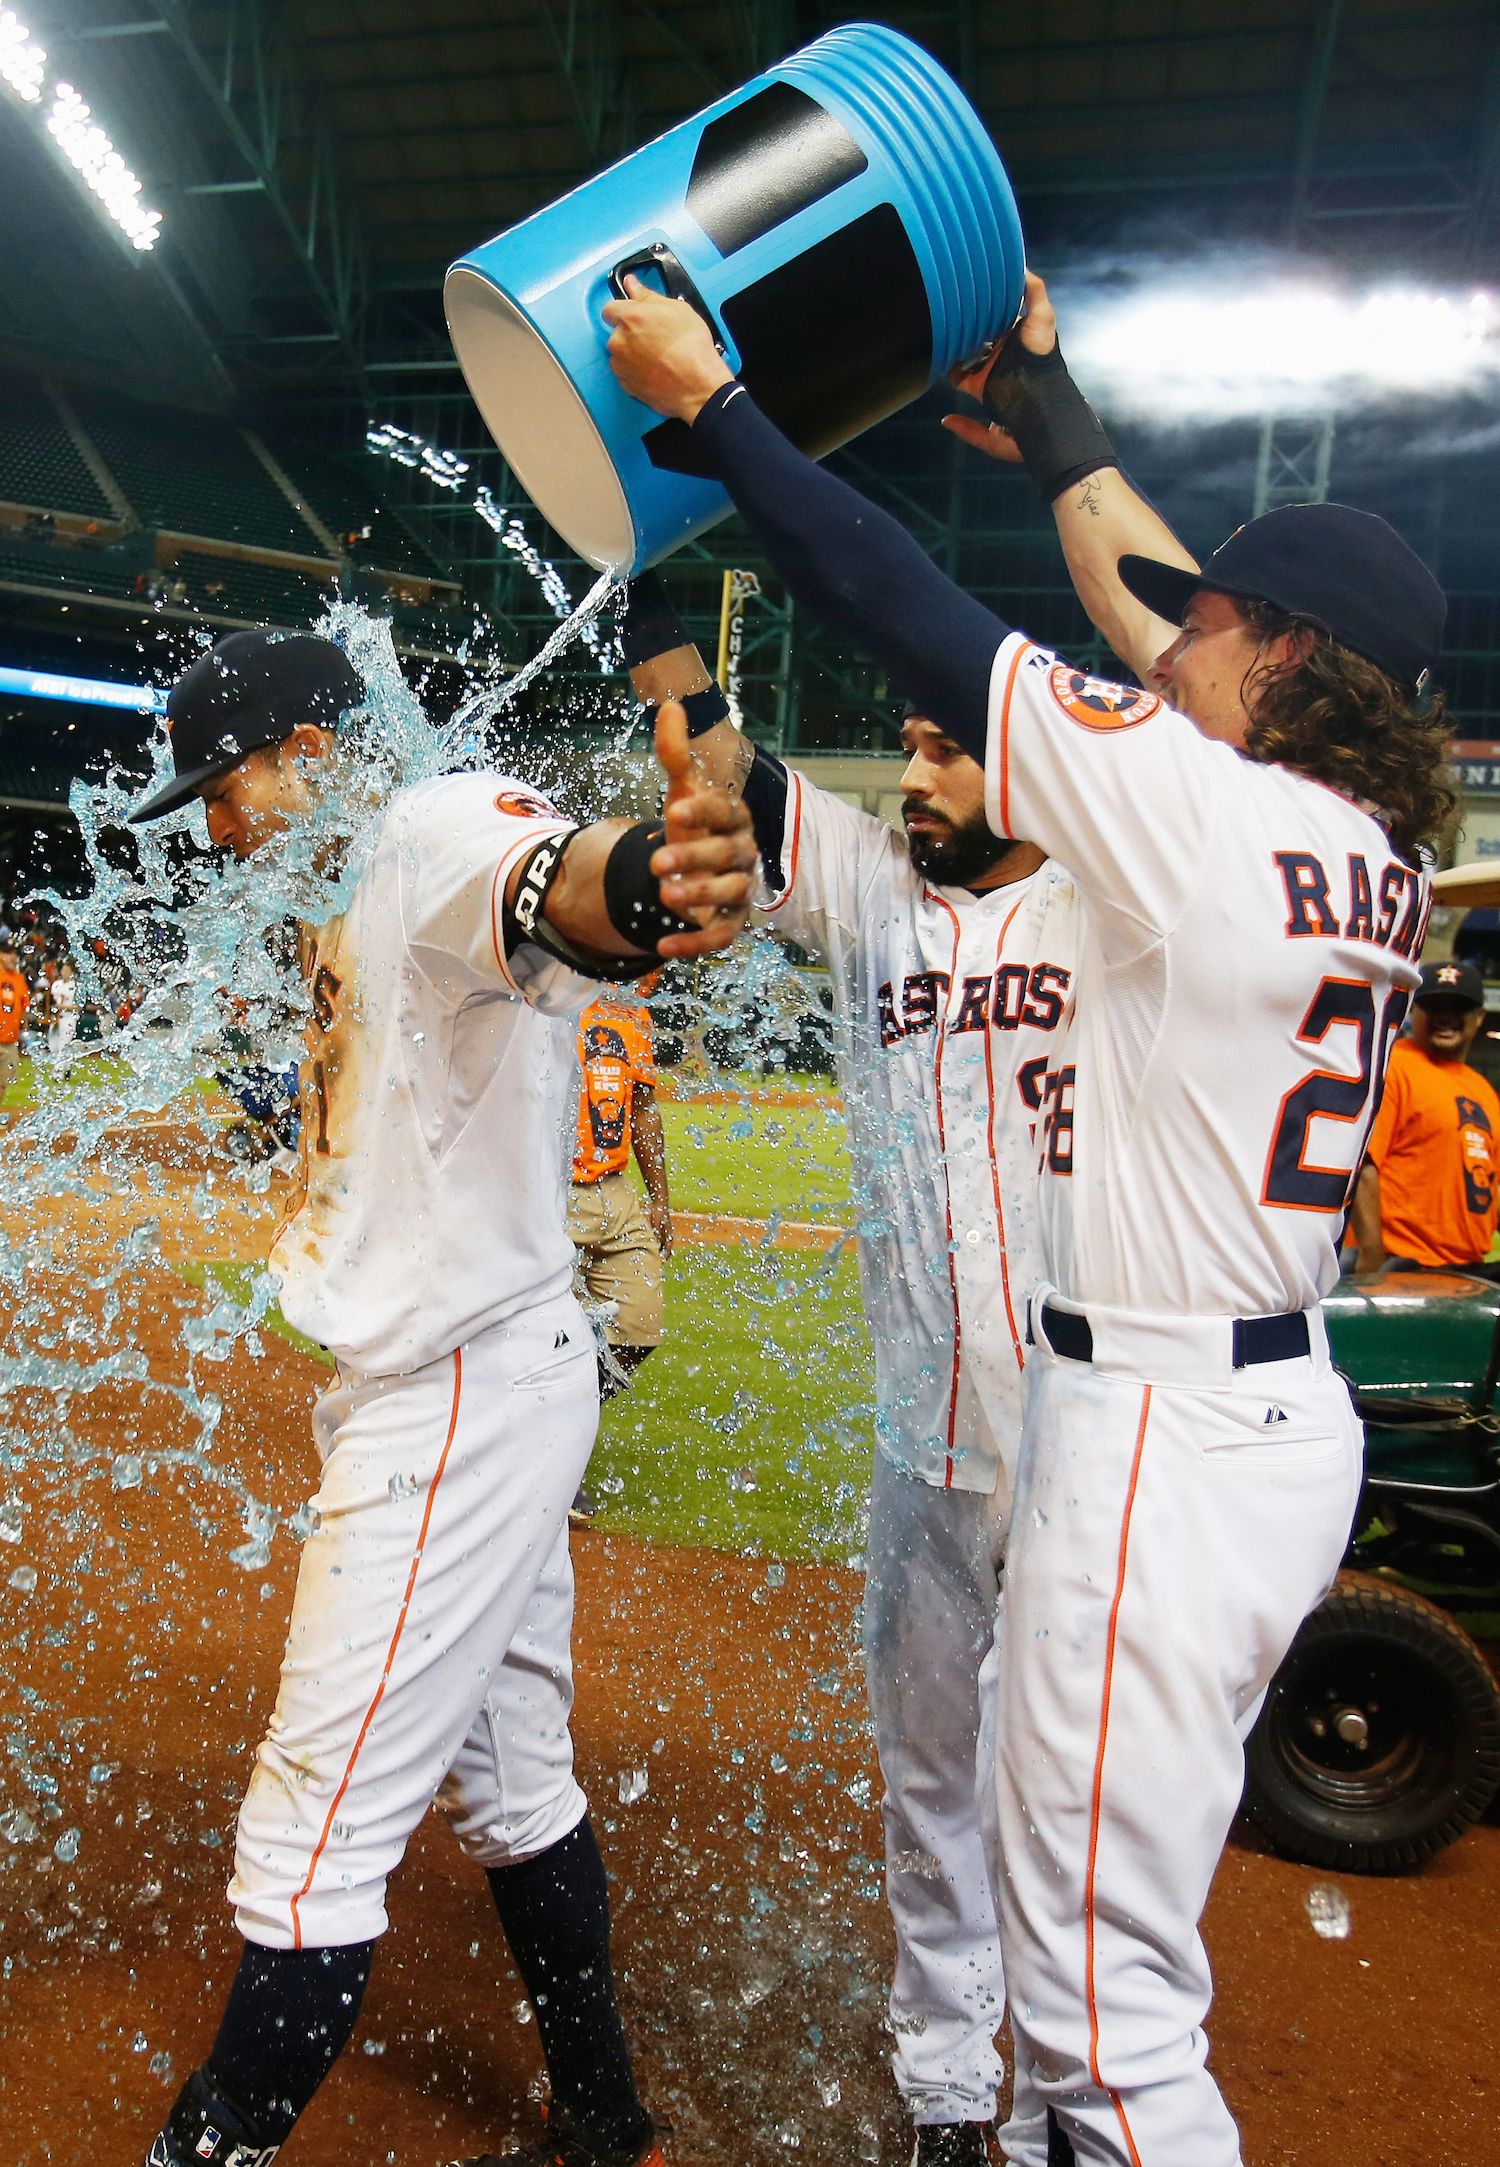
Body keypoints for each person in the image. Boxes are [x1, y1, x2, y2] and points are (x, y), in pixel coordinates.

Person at [603, 274, 1451, 2166]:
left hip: (1149, 1427)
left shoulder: (1199, 820)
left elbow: (918, 602)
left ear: (1290, 657)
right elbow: (1146, 594)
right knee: (1080, 1925)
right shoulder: (1361, 841)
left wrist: (721, 412)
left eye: (1214, 628)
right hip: (1255, 1416)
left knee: (1100, 2023)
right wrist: (1059, 422)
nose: (1164, 647)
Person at [125, 626, 759, 2167]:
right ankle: (608, 2123)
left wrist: (657, 871)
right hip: (491, 1368)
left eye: (227, 787)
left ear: (317, 756)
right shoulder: (343, 885)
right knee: (514, 1779)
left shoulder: (432, 824)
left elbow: (564, 888)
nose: (212, 826)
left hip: (455, 1400)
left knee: (309, 1830)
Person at [616, 579, 1076, 2165]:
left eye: (952, 751)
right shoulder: (875, 888)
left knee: (1067, 1805)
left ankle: (1065, 2106)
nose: (918, 777)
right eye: (912, 746)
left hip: (1095, 1447)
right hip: (922, 1447)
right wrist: (649, 581)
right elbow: (730, 771)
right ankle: (954, 2087)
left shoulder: (1109, 899)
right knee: (933, 1781)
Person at [1350, 959, 1500, 1277]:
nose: (1446, 1018)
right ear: (1412, 1012)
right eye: (1434, 1006)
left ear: (1479, 1018)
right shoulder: (1394, 1067)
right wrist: (1372, 1253)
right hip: (1402, 1263)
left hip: (1466, 1267)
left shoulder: (1483, 1090)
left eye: (1458, 1008)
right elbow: (1362, 1162)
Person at [569, 982, 672, 1398]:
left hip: (614, 1188)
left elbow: (644, 1108)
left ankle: (564, 1417)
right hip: (553, 1190)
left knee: (639, 1326)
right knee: (535, 1333)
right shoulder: (557, 996)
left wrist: (660, 1200)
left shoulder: (634, 1013)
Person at [0, 936, 31, 1101]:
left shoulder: (18, 979)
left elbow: (22, 1010)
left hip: (10, 1041)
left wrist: (25, 1033)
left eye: (13, 953)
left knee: (3, 1082)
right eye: (6, 953)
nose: (11, 957)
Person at [46, 957, 78, 1070]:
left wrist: (63, 1007)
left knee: (63, 1045)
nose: (64, 973)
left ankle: (57, 1074)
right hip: (55, 1018)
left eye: (67, 971)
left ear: (72, 973)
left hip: (68, 1018)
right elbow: (49, 1001)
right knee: (53, 1046)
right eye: (63, 970)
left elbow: (78, 1007)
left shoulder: (75, 987)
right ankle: (68, 1065)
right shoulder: (56, 984)